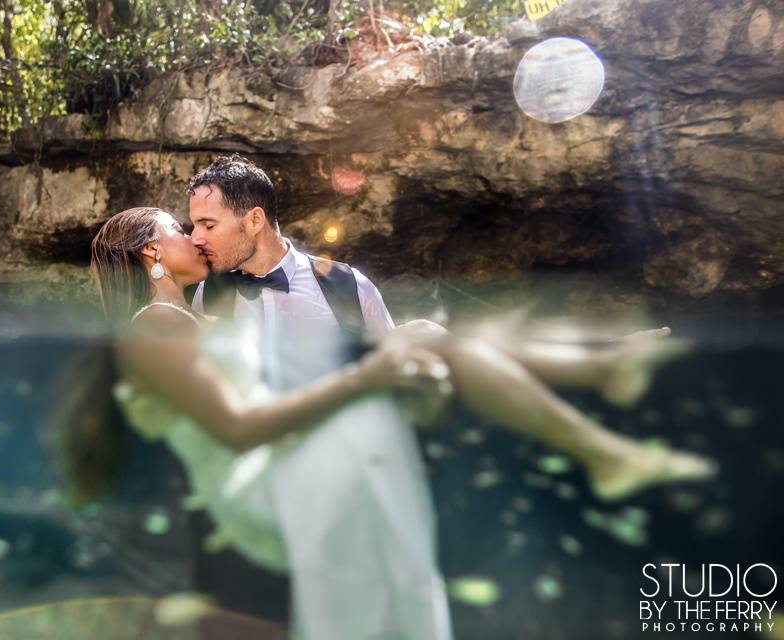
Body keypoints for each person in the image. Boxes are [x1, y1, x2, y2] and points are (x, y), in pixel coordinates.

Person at [67, 196, 715, 638]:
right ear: (152, 255)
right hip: (262, 491)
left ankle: (599, 382)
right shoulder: (154, 326)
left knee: (426, 336)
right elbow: (237, 425)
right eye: (181, 230)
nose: (196, 235)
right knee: (420, 344)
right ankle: (600, 388)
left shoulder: (193, 318)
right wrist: (367, 379)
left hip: (283, 464)